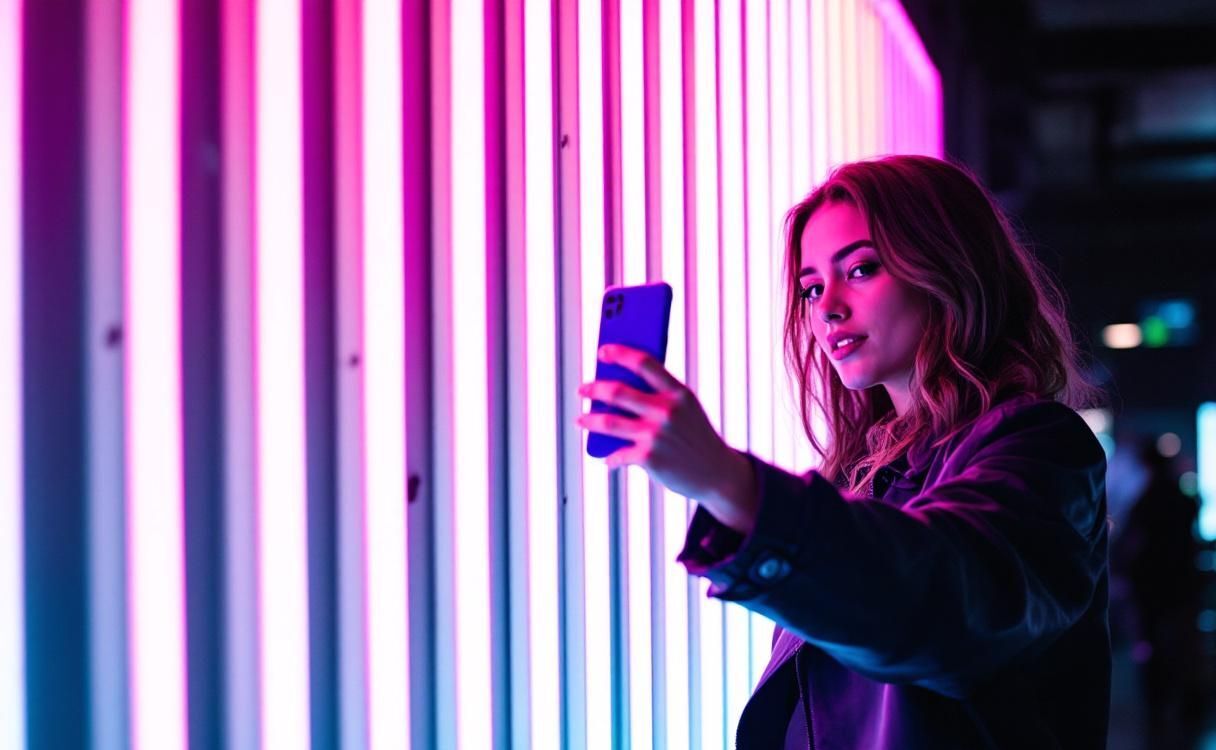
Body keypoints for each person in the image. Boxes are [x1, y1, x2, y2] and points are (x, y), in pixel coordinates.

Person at [575, 154, 1110, 748]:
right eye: (810, 286)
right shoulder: (866, 479)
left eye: (859, 269)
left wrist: (729, 482)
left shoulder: (1042, 449)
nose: (826, 306)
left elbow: (939, 601)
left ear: (950, 267)